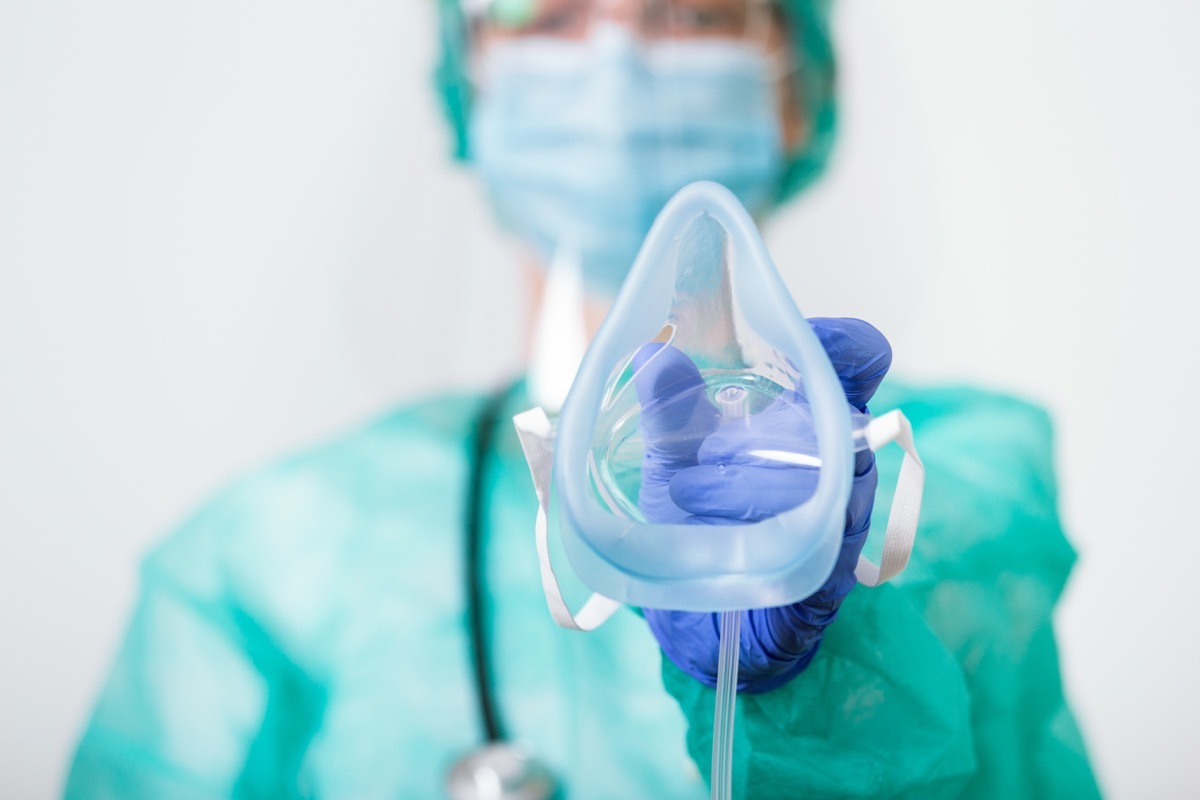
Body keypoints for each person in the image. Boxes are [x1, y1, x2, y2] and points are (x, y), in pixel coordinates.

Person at [65, 1, 1102, 797]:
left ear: (798, 91)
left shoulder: (944, 498)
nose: (617, 63)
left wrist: (815, 684)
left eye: (692, 11)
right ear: (469, 87)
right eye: (552, 15)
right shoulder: (279, 555)